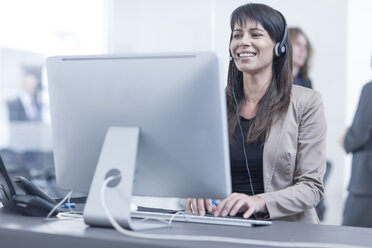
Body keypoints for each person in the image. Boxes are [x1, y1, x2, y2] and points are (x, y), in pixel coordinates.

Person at [186, 3, 327, 223]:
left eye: (255, 34)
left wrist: (259, 201)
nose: (243, 41)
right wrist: (198, 190)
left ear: (278, 46)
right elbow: (198, 170)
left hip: (285, 231)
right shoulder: (215, 102)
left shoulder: (307, 102)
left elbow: (311, 188)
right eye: (237, 34)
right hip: (223, 225)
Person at [340, 79, 372, 227]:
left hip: (366, 186)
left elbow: (358, 135)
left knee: (350, 239)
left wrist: (346, 139)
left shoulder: (370, 89)